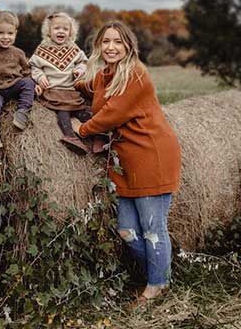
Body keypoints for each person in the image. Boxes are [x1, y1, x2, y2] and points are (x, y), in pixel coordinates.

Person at [73, 21, 181, 308]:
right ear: (98, 46)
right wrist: (66, 82)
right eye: (105, 41)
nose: (111, 47)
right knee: (127, 231)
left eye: (117, 42)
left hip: (151, 155)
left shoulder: (135, 73)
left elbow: (111, 114)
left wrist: (80, 130)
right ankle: (161, 276)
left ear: (128, 46)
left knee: (152, 227)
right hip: (125, 162)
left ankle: (155, 287)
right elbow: (88, 87)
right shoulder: (106, 75)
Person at [29, 12, 91, 154]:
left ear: (70, 33)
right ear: (49, 32)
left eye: (65, 29)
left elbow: (83, 62)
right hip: (53, 90)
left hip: (70, 90)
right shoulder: (42, 49)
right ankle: (70, 136)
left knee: (81, 110)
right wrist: (40, 77)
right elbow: (34, 66)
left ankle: (98, 133)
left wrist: (79, 69)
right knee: (63, 110)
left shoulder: (74, 49)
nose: (61, 31)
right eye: (57, 28)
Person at [0, 10, 36, 150]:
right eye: (0, 33)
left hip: (14, 85)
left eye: (10, 33)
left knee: (28, 83)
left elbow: (26, 71)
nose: (5, 37)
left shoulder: (18, 52)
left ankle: (22, 111)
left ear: (15, 33)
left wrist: (34, 84)